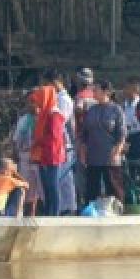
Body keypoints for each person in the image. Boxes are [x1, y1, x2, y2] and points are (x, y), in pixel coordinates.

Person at [79, 80, 127, 204]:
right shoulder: (91, 110)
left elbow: (121, 134)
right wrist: (83, 151)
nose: (93, 92)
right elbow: (84, 134)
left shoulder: (116, 110)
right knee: (91, 189)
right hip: (93, 156)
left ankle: (117, 211)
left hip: (110, 155)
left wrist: (116, 151)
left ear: (106, 92)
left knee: (114, 187)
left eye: (96, 89)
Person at [29, 84, 67, 216]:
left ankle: (54, 213)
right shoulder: (44, 114)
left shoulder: (54, 115)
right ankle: (48, 212)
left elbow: (55, 137)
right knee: (46, 187)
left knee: (53, 186)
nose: (36, 102)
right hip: (44, 155)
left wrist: (39, 141)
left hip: (53, 155)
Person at [47, 69, 79, 214]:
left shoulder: (63, 99)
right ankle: (64, 207)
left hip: (64, 143)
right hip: (59, 143)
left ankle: (68, 208)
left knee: (63, 178)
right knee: (62, 179)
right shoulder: (56, 98)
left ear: (54, 82)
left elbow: (60, 121)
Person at [9, 94, 43, 217]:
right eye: (29, 102)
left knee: (38, 189)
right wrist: (15, 155)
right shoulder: (24, 119)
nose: (31, 105)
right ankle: (21, 214)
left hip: (40, 158)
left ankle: (34, 214)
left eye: (33, 102)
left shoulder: (44, 118)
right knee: (24, 186)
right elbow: (16, 139)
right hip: (25, 156)